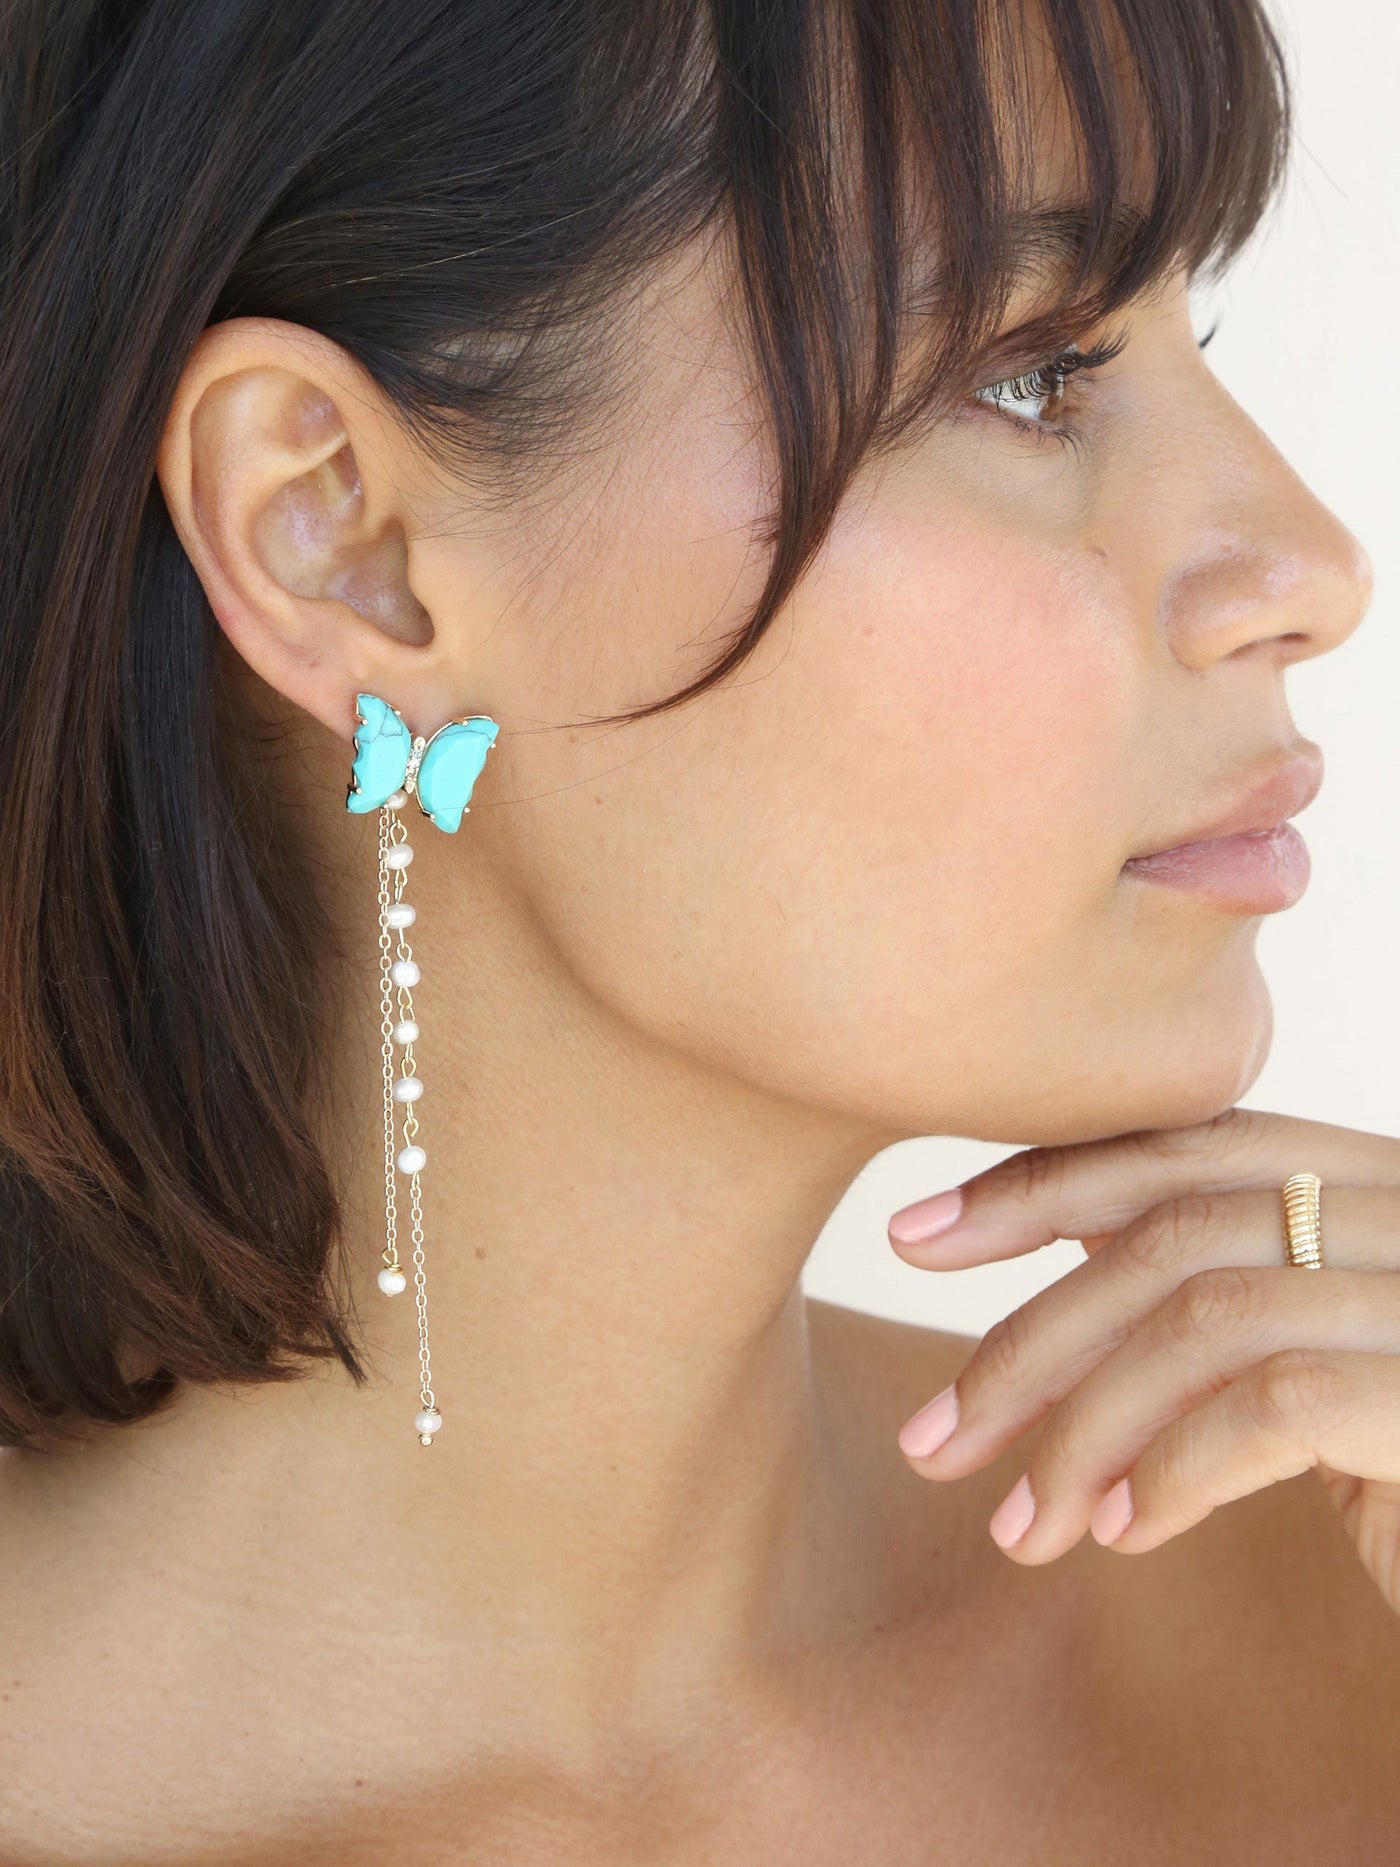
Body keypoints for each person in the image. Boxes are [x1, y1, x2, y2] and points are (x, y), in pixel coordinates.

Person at [1, 0, 1397, 1859]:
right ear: (338, 535)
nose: (1308, 570)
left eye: (1189, 333)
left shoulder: (1351, 1613)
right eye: (1034, 372)